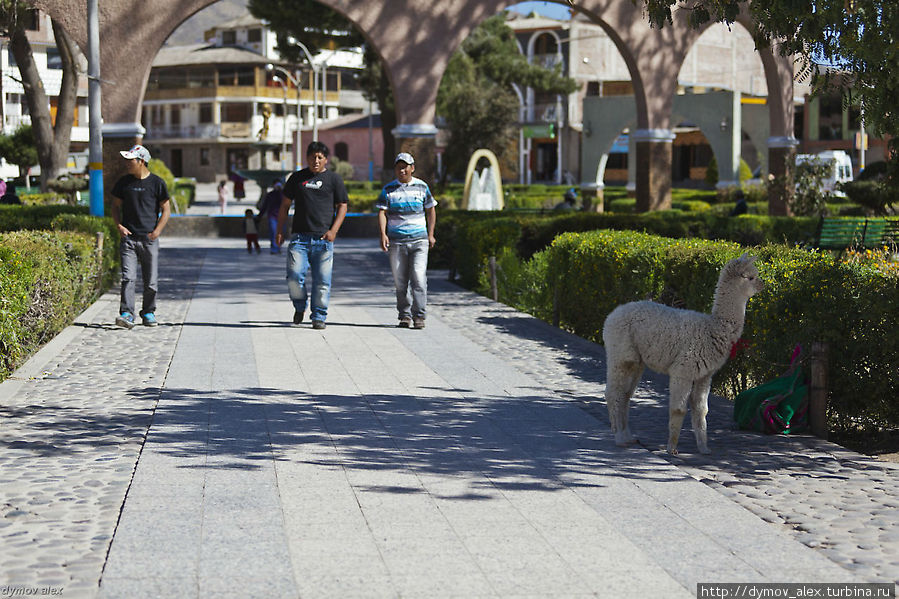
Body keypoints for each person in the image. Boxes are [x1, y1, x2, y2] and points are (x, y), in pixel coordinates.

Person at [277, 141, 348, 330]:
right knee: (293, 276)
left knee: (322, 281)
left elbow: (342, 206)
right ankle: (300, 306)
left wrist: (333, 231)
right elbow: (284, 205)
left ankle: (319, 316)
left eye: (320, 157)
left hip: (323, 240)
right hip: (299, 239)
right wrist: (279, 230)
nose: (316, 160)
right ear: (306, 158)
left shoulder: (334, 179)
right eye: (312, 157)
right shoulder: (297, 178)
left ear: (326, 159)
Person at [110, 144, 171, 329]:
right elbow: (114, 206)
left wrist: (158, 230)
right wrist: (119, 225)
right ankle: (127, 314)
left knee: (150, 281)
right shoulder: (123, 183)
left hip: (149, 239)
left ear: (142, 161)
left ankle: (148, 312)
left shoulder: (157, 183)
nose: (127, 163)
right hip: (129, 239)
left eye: (131, 160)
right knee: (128, 277)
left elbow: (166, 208)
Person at [376, 152, 437, 329]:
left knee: (418, 277)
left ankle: (419, 316)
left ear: (412, 168)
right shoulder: (388, 190)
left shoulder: (422, 187)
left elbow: (431, 210)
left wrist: (431, 234)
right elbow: (382, 212)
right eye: (398, 167)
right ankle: (404, 315)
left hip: (419, 241)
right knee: (400, 280)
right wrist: (383, 234)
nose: (402, 170)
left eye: (405, 166)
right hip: (397, 242)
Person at [259, 180, 285, 254]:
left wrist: (279, 192)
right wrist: (259, 216)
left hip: (282, 217)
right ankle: (274, 249)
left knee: (281, 233)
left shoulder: (284, 194)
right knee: (273, 232)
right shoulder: (270, 195)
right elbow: (265, 206)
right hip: (272, 217)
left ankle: (278, 247)